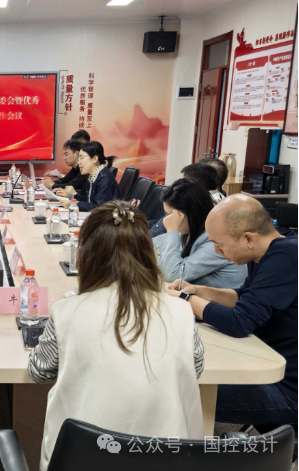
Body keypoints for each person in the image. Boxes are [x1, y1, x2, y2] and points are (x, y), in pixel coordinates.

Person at [28, 200, 204, 470]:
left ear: (87, 254)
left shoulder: (67, 311)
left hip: (81, 459)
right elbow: (196, 368)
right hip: (166, 459)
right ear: (148, 252)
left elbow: (39, 371)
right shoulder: (181, 311)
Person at [168, 194, 298, 430]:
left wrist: (187, 299)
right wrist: (199, 290)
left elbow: (240, 322)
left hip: (285, 388)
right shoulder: (266, 252)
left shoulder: (285, 258)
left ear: (248, 238)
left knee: (180, 391)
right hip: (268, 365)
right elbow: (243, 297)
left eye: (220, 244)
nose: (217, 251)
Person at [152, 179, 247, 289]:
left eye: (170, 215)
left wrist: (172, 230)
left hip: (220, 299)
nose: (166, 219)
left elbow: (173, 275)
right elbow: (158, 259)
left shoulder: (216, 241)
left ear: (189, 213)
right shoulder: (192, 231)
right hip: (199, 295)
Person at [150, 162, 223, 238]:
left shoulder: (187, 205)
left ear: (192, 185)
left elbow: (155, 235)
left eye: (183, 182)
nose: (178, 186)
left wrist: (172, 231)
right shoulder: (219, 199)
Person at [55, 141, 121, 210]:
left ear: (94, 159)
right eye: (78, 159)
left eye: (81, 158)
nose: (79, 162)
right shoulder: (92, 176)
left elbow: (98, 207)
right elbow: (86, 199)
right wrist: (70, 196)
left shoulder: (104, 178)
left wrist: (72, 205)